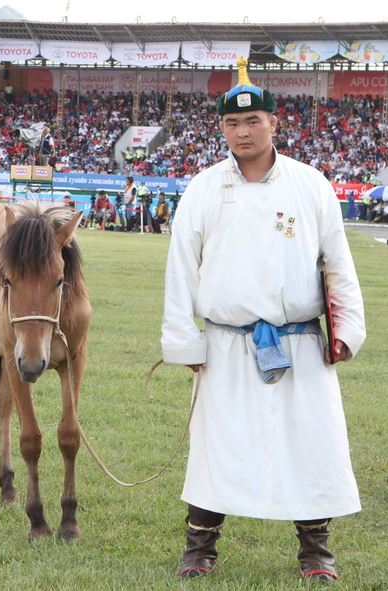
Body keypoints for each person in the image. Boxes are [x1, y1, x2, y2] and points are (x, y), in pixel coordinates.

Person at [161, 57, 365, 583]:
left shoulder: (311, 184)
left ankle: (316, 552)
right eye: (232, 123)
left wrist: (344, 333)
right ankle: (199, 548)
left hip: (298, 341)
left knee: (309, 440)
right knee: (218, 443)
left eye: (253, 122)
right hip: (228, 344)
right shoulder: (204, 188)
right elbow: (181, 269)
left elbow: (337, 264)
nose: (243, 131)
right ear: (222, 128)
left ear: (274, 123)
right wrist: (185, 342)